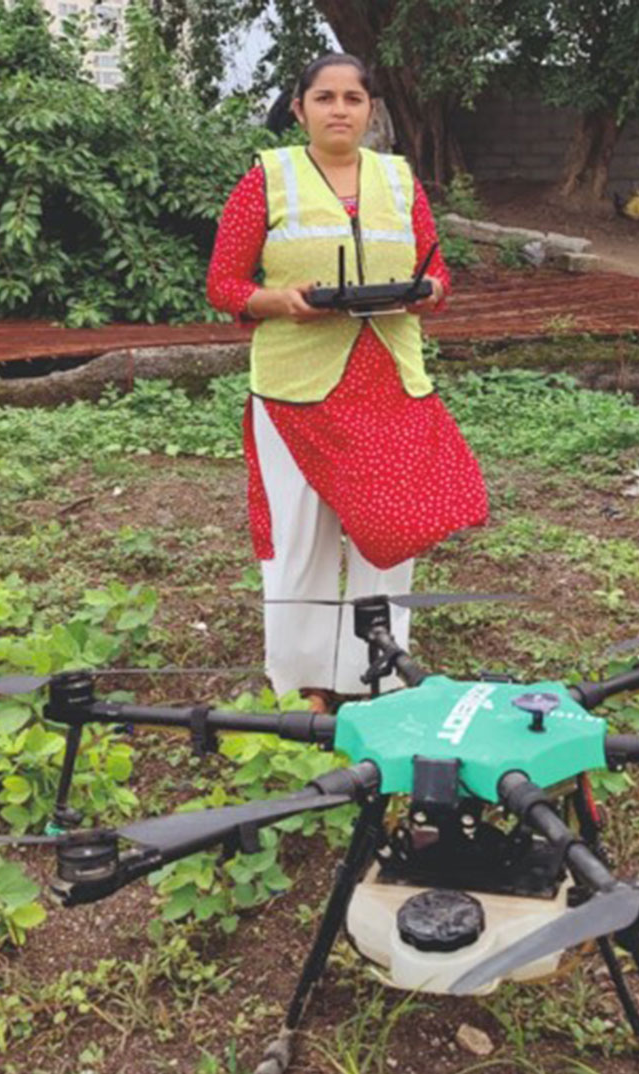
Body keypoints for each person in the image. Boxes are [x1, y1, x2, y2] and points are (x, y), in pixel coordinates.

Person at [207, 53, 489, 713]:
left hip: (387, 382)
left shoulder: (399, 180)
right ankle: (301, 685)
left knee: (390, 534)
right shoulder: (265, 181)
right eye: (326, 97)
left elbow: (439, 274)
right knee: (299, 538)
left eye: (354, 98)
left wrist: (428, 293)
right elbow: (225, 286)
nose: (340, 109)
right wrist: (282, 300)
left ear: (370, 110)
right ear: (299, 108)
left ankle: (378, 676)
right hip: (297, 388)